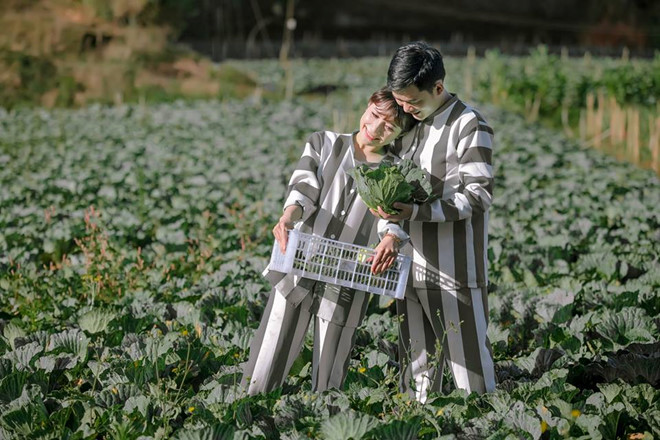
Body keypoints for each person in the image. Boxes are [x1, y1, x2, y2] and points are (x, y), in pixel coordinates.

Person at [241, 88, 415, 394]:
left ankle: (321, 419)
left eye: (389, 126)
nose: (375, 129)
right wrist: (287, 218)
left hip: (349, 278)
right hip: (298, 264)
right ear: (366, 107)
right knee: (268, 356)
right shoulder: (324, 143)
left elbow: (391, 219)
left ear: (400, 132)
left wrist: (391, 237)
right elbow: (302, 190)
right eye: (374, 116)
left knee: (331, 371)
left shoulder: (394, 171)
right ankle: (252, 410)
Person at [373, 41, 496, 402]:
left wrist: (416, 213)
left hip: (455, 271)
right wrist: (390, 230)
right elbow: (388, 194)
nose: (405, 109)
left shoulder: (469, 124)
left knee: (471, 373)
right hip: (409, 271)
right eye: (401, 101)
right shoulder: (407, 127)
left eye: (412, 101)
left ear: (438, 88)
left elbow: (478, 196)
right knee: (417, 375)